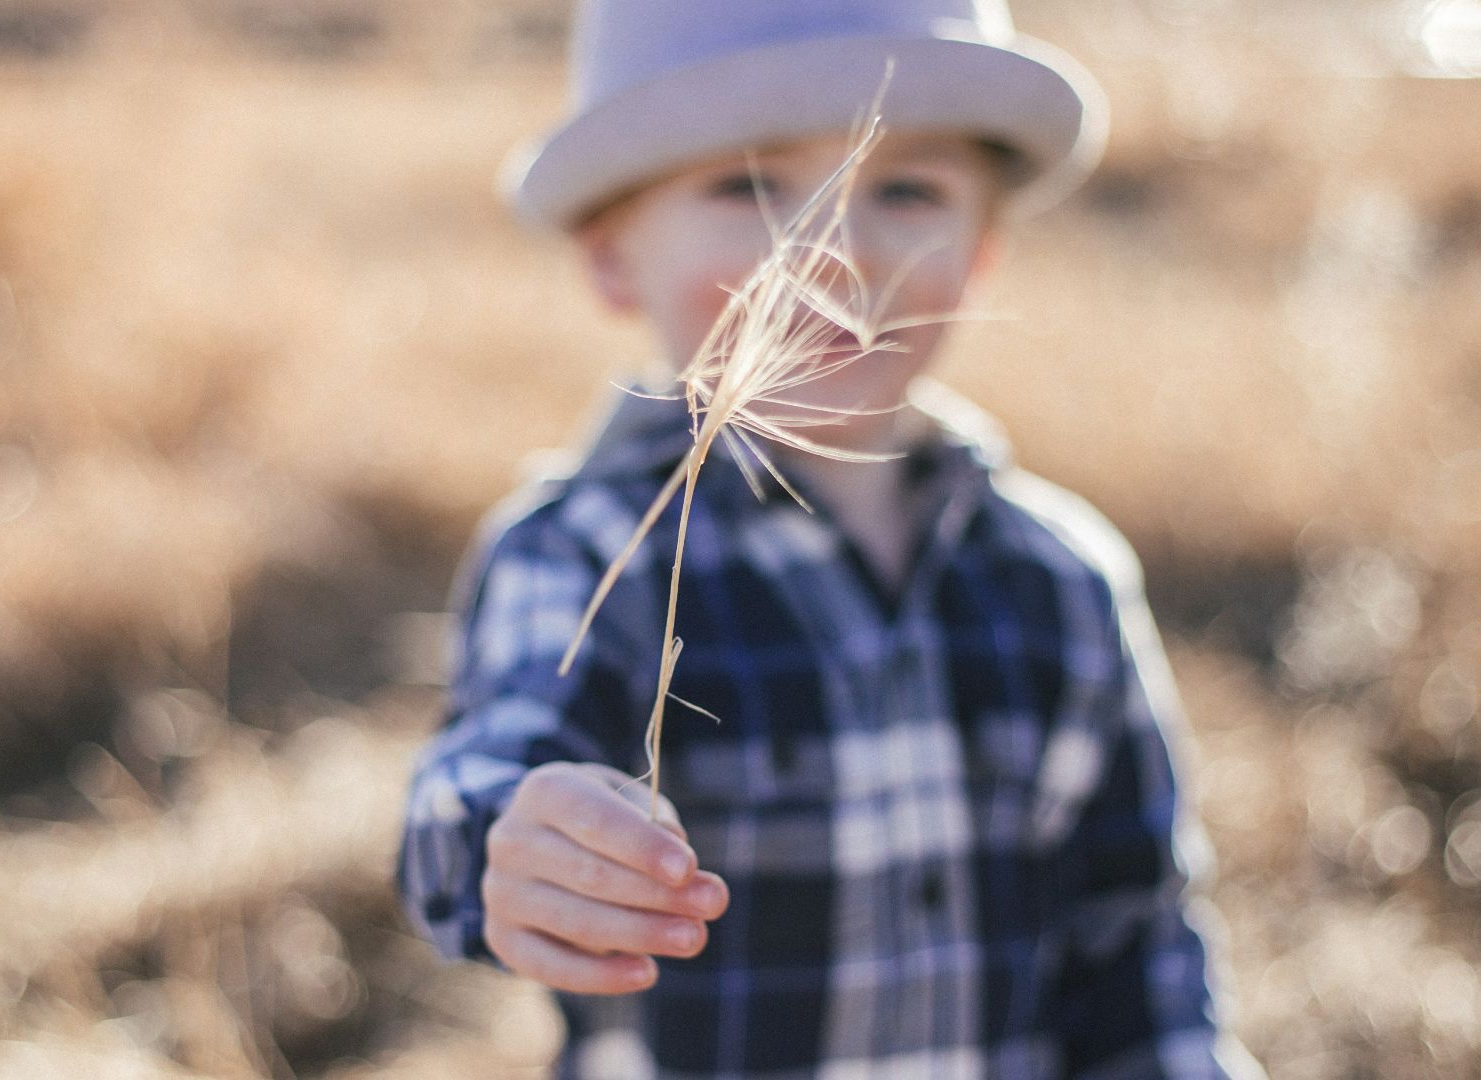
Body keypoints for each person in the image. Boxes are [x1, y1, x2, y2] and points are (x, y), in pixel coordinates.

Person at [398, 1, 1265, 1076]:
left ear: (984, 249)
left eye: (908, 189)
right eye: (750, 186)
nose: (838, 250)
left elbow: (1137, 934)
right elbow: (483, 769)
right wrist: (507, 843)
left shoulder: (1062, 576)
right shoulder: (587, 554)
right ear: (612, 256)